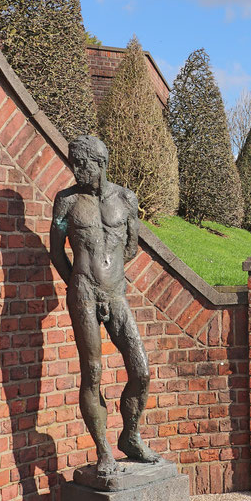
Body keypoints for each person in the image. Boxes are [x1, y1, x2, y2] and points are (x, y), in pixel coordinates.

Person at [50, 135, 160, 475]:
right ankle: (103, 452)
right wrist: (81, 283)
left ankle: (130, 436)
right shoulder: (65, 201)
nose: (76, 170)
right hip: (83, 292)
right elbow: (57, 251)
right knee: (93, 373)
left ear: (101, 163)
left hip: (116, 293)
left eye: (82, 164)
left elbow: (130, 246)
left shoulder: (126, 198)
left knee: (140, 369)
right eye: (73, 164)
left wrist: (109, 278)